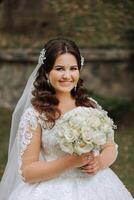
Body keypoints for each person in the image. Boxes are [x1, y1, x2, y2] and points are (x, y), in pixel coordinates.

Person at [0, 38, 133, 200]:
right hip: (52, 189)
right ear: (47, 72)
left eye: (73, 68)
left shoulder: (90, 106)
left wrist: (99, 163)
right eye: (60, 69)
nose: (67, 75)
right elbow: (28, 172)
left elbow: (111, 147)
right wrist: (70, 162)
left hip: (96, 186)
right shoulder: (36, 114)